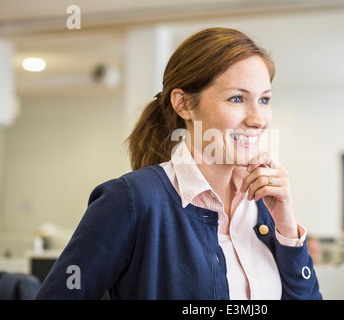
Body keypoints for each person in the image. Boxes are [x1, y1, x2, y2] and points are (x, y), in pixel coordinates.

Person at [35, 27, 321, 300]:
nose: (258, 119)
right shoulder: (130, 201)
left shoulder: (263, 204)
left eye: (264, 99)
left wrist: (286, 226)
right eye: (237, 98)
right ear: (183, 104)